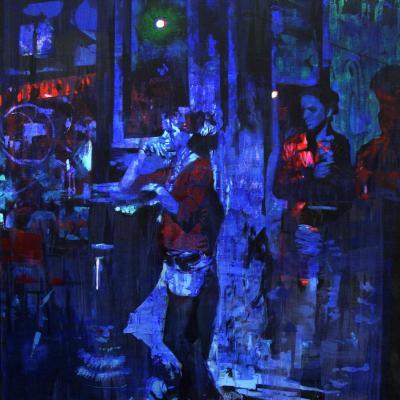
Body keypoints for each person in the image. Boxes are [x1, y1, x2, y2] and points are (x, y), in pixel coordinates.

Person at [123, 110, 224, 400]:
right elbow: (126, 186)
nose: (166, 135)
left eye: (173, 131)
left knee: (176, 336)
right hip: (174, 258)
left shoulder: (200, 167)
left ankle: (205, 392)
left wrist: (159, 192)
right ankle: (194, 389)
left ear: (190, 135)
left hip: (190, 260)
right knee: (179, 335)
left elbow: (186, 214)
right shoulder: (176, 165)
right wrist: (142, 156)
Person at [272, 85, 354, 381]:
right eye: (303, 109)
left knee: (330, 295)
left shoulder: (340, 145)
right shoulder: (293, 145)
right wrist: (309, 176)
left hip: (332, 228)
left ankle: (323, 363)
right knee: (304, 292)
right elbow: (279, 187)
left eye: (313, 109)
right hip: (303, 226)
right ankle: (302, 362)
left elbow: (348, 192)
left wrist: (332, 178)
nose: (306, 115)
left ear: (329, 111)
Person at [355, 65, 400, 399]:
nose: (382, 113)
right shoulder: (380, 145)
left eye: (386, 103)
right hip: (384, 242)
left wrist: (372, 179)